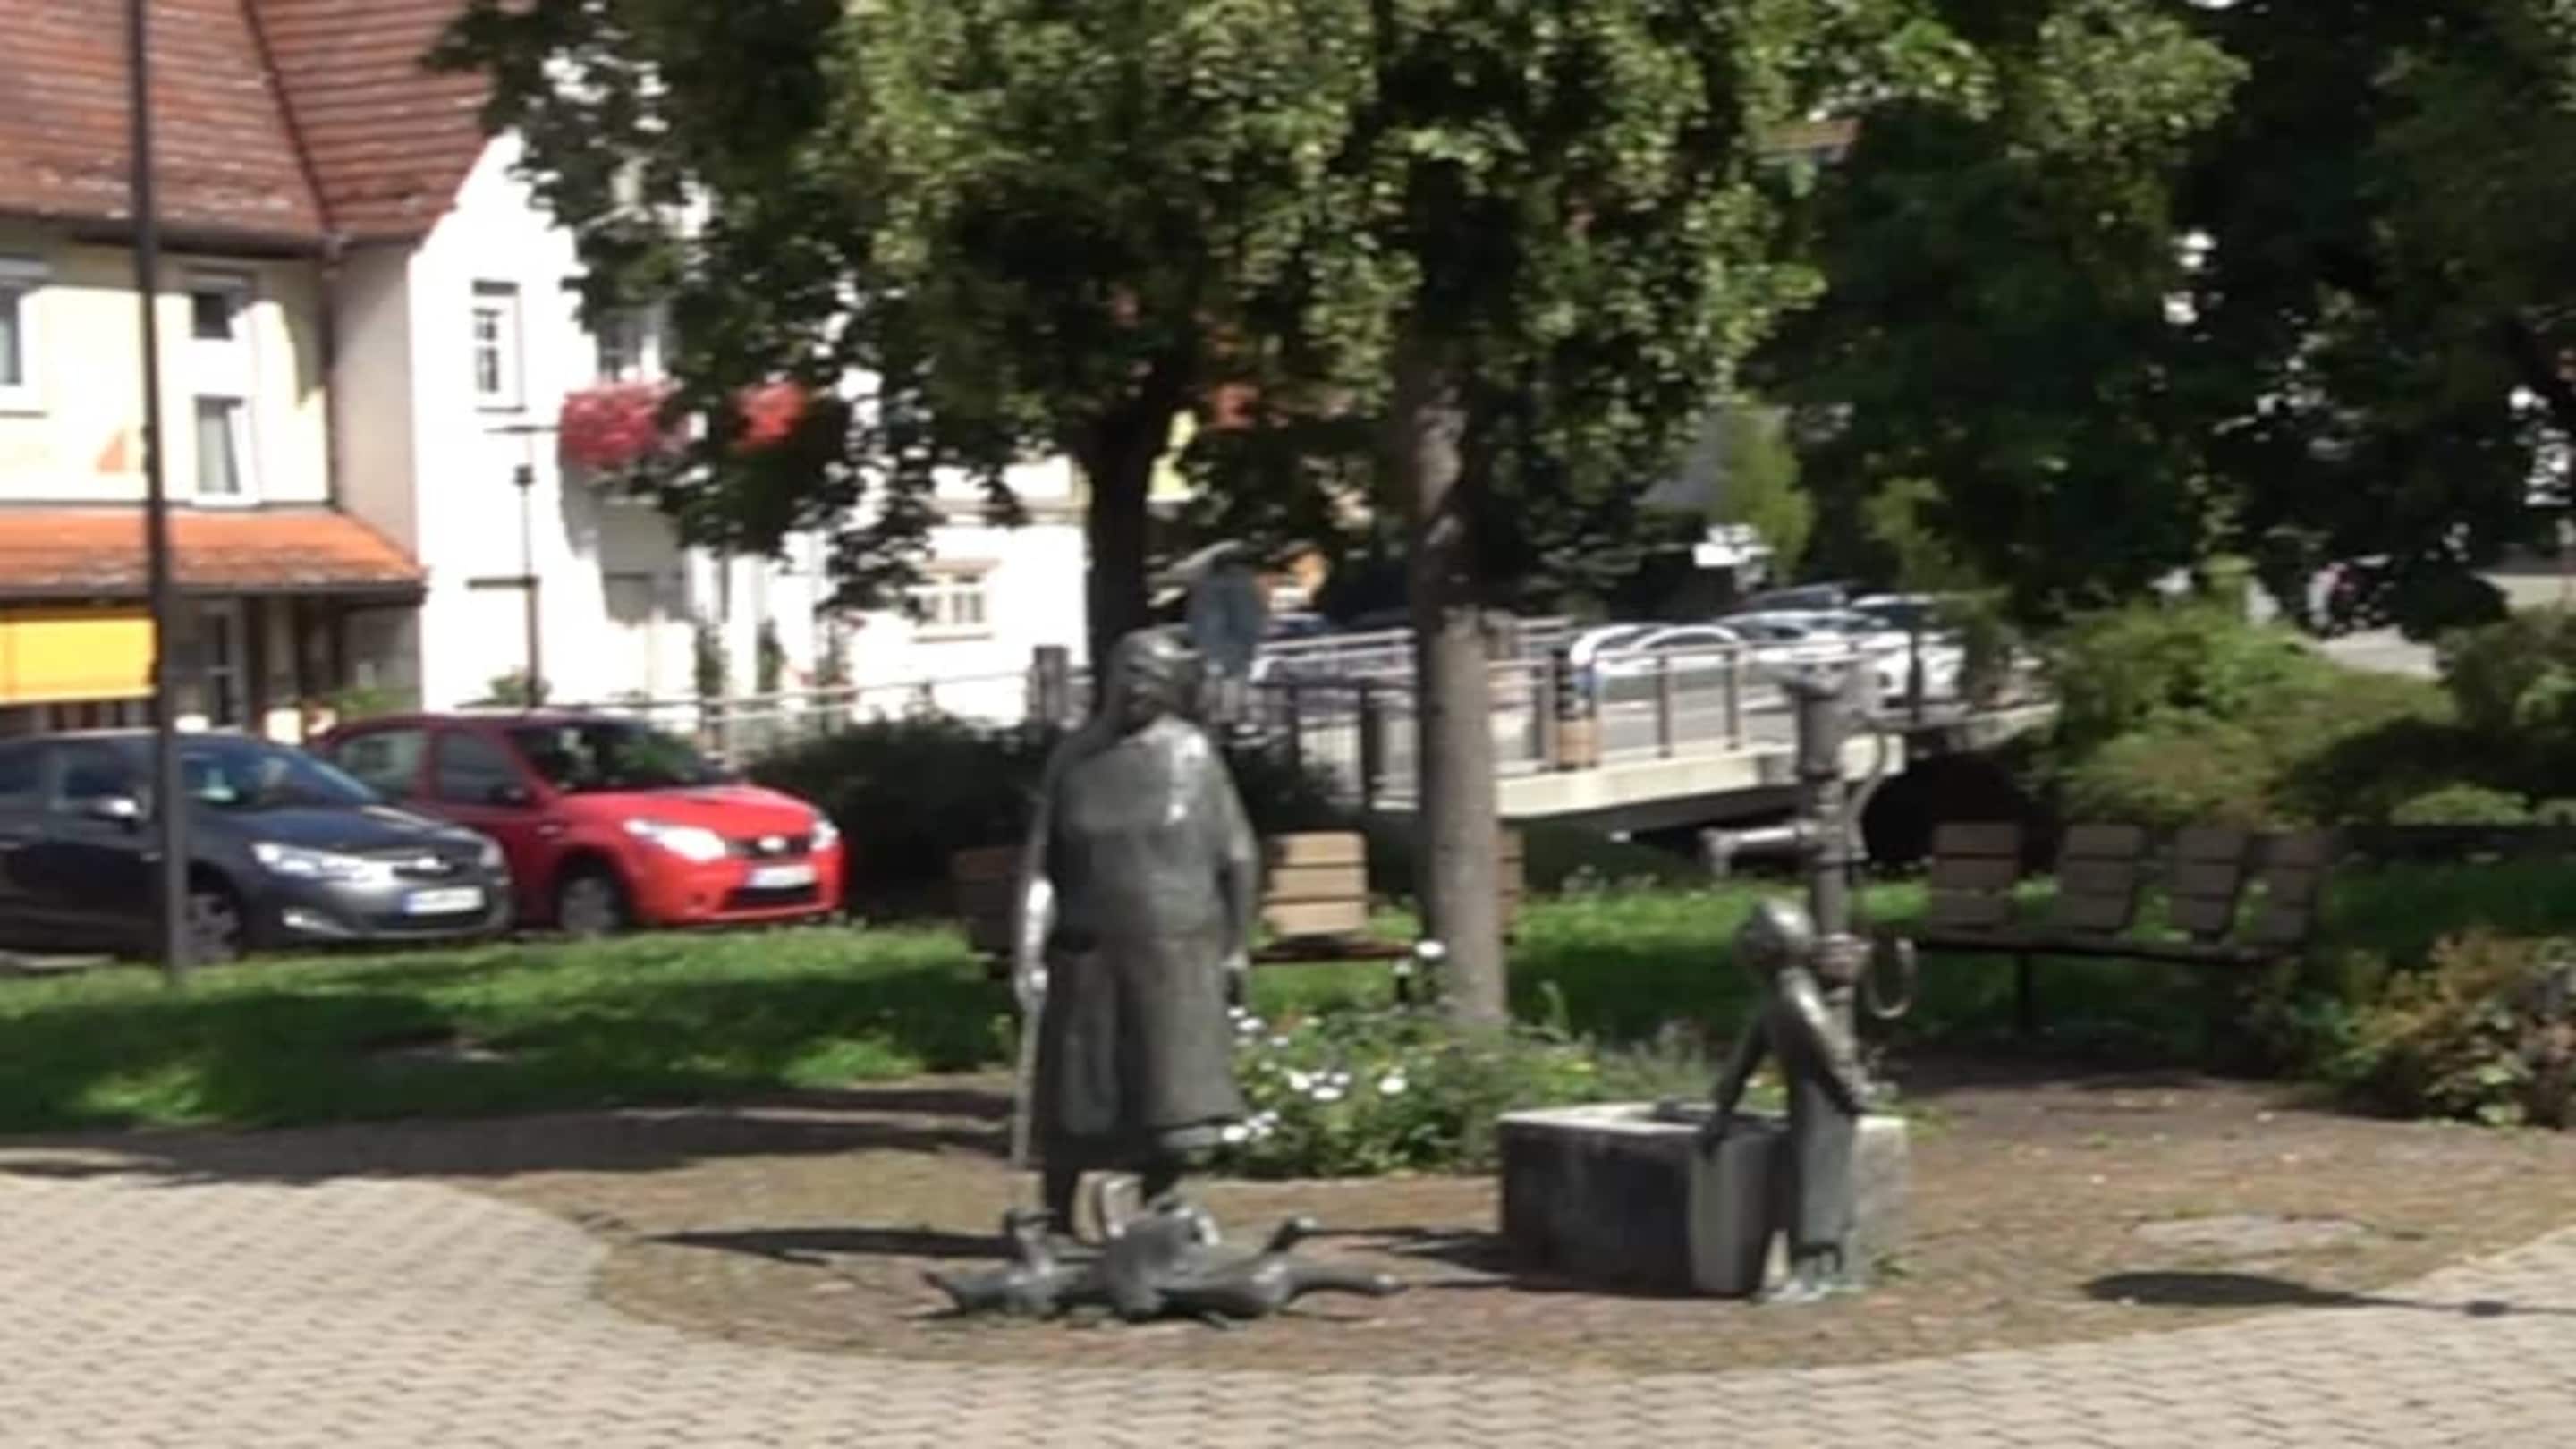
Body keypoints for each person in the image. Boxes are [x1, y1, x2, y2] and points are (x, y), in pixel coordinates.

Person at [1013, 628, 1259, 1238]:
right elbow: (1041, 867)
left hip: (1177, 947)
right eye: (1130, 673)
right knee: (1078, 1084)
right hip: (1088, 950)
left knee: (1168, 1085)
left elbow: (1237, 855)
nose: (1138, 689)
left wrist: (1236, 946)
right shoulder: (1075, 757)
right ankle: (1056, 1212)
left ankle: (1161, 1208)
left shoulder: (1192, 754)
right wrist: (1027, 954)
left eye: (1153, 678)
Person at [1701, 897, 1875, 1303]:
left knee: (1813, 1178)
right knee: (1816, 1175)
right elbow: (1743, 1060)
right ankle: (1839, 1267)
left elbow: (1832, 1049)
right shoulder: (1777, 997)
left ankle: (1811, 1271)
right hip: (1812, 1103)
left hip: (1826, 1105)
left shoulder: (1795, 998)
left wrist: (1855, 1091)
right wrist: (1721, 1110)